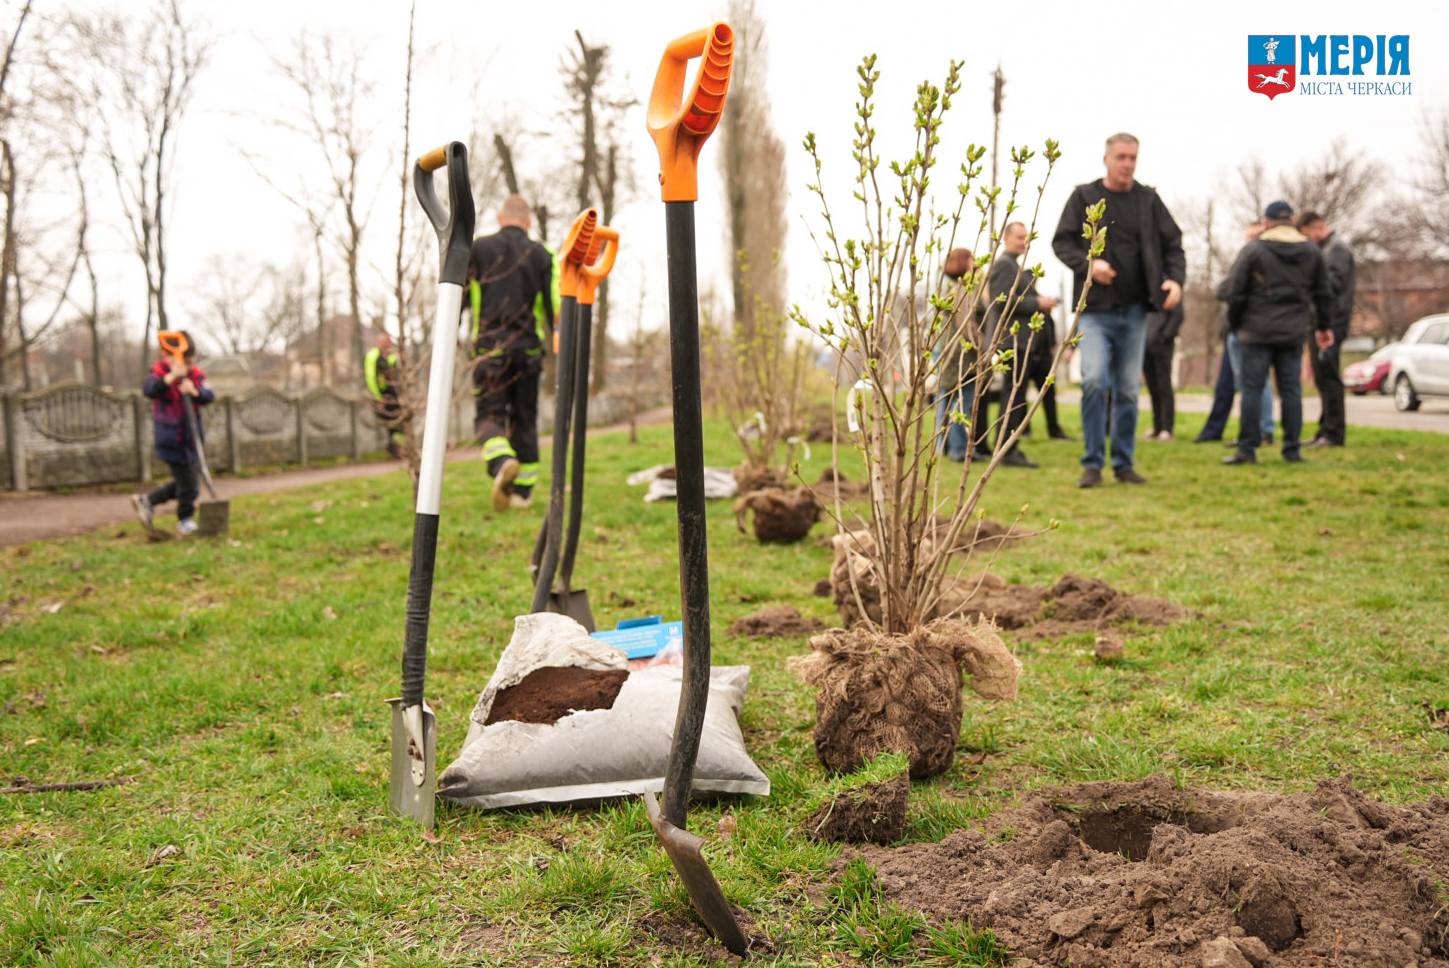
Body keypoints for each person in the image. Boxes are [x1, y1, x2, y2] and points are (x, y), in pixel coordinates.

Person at [1052, 132, 1186, 488]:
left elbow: (1174, 243)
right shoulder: (1084, 196)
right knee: (1095, 381)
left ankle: (1123, 464)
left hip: (1136, 311)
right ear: (1107, 159)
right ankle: (1092, 463)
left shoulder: (1148, 200)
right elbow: (1061, 242)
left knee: (1128, 390)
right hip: (1095, 312)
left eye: (1133, 158)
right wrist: (1088, 265)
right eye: (1121, 157)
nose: (1127, 163)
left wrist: (1176, 280)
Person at [1222, 201, 1335, 465]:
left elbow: (1235, 292)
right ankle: (1292, 449)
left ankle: (1247, 449)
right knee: (1291, 390)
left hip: (1255, 331)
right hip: (1293, 331)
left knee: (1252, 389)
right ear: (1291, 220)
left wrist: (1235, 324)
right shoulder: (1311, 251)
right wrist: (1323, 326)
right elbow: (1323, 293)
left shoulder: (1253, 250)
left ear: (1267, 221)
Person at [468, 195, 558, 512]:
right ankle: (522, 493)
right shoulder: (542, 254)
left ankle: (502, 461)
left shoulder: (479, 249)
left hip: (491, 348)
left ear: (499, 217)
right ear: (529, 222)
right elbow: (555, 308)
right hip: (528, 350)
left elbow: (461, 295)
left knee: (489, 414)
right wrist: (559, 341)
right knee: (525, 419)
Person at [983, 221, 1058, 467]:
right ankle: (1006, 449)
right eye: (1018, 237)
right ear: (1005, 239)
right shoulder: (1004, 265)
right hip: (1012, 340)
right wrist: (1038, 304)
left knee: (1016, 396)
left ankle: (1008, 446)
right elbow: (1001, 301)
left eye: (1026, 237)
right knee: (1012, 396)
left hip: (1022, 342)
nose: (1023, 242)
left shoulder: (1015, 266)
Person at [1197, 221, 1275, 445]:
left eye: (1254, 236)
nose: (1249, 241)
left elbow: (1229, 290)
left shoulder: (1260, 263)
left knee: (1256, 383)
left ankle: (1262, 431)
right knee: (1246, 384)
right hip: (1236, 330)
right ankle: (1254, 432)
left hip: (1248, 330)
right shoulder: (1247, 259)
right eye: (1248, 236)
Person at [130, 331, 215, 536]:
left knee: (186, 483)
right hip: (171, 440)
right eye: (184, 360)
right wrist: (171, 377)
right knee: (190, 485)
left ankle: (148, 501)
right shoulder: (159, 374)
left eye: (190, 360)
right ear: (166, 356)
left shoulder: (195, 376)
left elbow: (209, 394)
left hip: (192, 440)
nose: (187, 364)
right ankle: (185, 519)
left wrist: (195, 392)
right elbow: (149, 390)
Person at [1296, 210, 1356, 448]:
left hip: (1331, 323)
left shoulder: (1336, 250)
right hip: (1322, 321)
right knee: (1322, 377)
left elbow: (1331, 285)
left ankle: (1333, 433)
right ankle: (1325, 430)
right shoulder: (1326, 250)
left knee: (1329, 377)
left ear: (1317, 227)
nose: (1306, 242)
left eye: (1306, 235)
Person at [934, 247, 978, 462]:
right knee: (962, 402)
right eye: (971, 259)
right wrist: (982, 344)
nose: (975, 263)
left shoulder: (944, 285)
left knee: (945, 400)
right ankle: (958, 449)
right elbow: (966, 324)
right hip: (961, 354)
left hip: (946, 350)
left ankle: (939, 447)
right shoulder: (961, 288)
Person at [1142, 303, 1183, 440]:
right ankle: (1157, 427)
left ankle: (1167, 428)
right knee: (1153, 388)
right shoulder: (1147, 294)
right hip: (1145, 346)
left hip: (1162, 346)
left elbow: (1178, 316)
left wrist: (1164, 336)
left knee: (1164, 386)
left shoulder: (1170, 292)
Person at [364, 332, 405, 459]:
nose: (388, 344)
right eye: (386, 342)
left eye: (389, 342)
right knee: (390, 423)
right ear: (380, 342)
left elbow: (396, 375)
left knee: (398, 421)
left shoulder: (391, 357)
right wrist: (378, 397)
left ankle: (396, 448)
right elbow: (371, 377)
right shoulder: (373, 356)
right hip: (382, 395)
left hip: (393, 394)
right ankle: (393, 448)